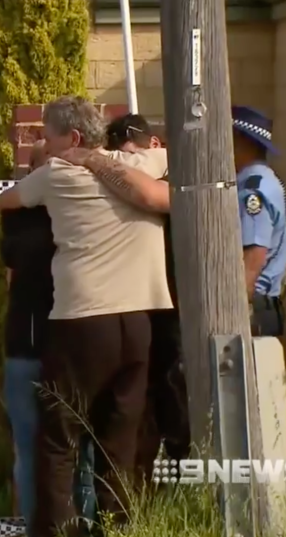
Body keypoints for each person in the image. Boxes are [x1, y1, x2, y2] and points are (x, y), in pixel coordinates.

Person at [0, 96, 173, 537]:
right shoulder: (145, 164)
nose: (45, 145)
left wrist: (52, 168)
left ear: (72, 139)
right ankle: (117, 529)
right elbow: (165, 156)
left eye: (48, 137)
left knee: (59, 440)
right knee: (119, 444)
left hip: (81, 320)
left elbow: (6, 200)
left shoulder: (57, 173)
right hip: (138, 322)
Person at [65, 106, 286, 337]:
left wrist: (228, 319)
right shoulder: (259, 180)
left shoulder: (252, 190)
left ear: (238, 138)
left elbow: (252, 258)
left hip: (249, 309)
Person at [1, 143, 96, 532]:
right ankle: (71, 523)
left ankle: (40, 524)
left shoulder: (18, 218)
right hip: (54, 345)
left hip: (39, 343)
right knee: (75, 449)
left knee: (42, 448)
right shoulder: (77, 216)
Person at [103, 114, 191, 482]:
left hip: (175, 306)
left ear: (154, 148)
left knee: (173, 396)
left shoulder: (178, 178)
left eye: (134, 155)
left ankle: (181, 475)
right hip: (139, 306)